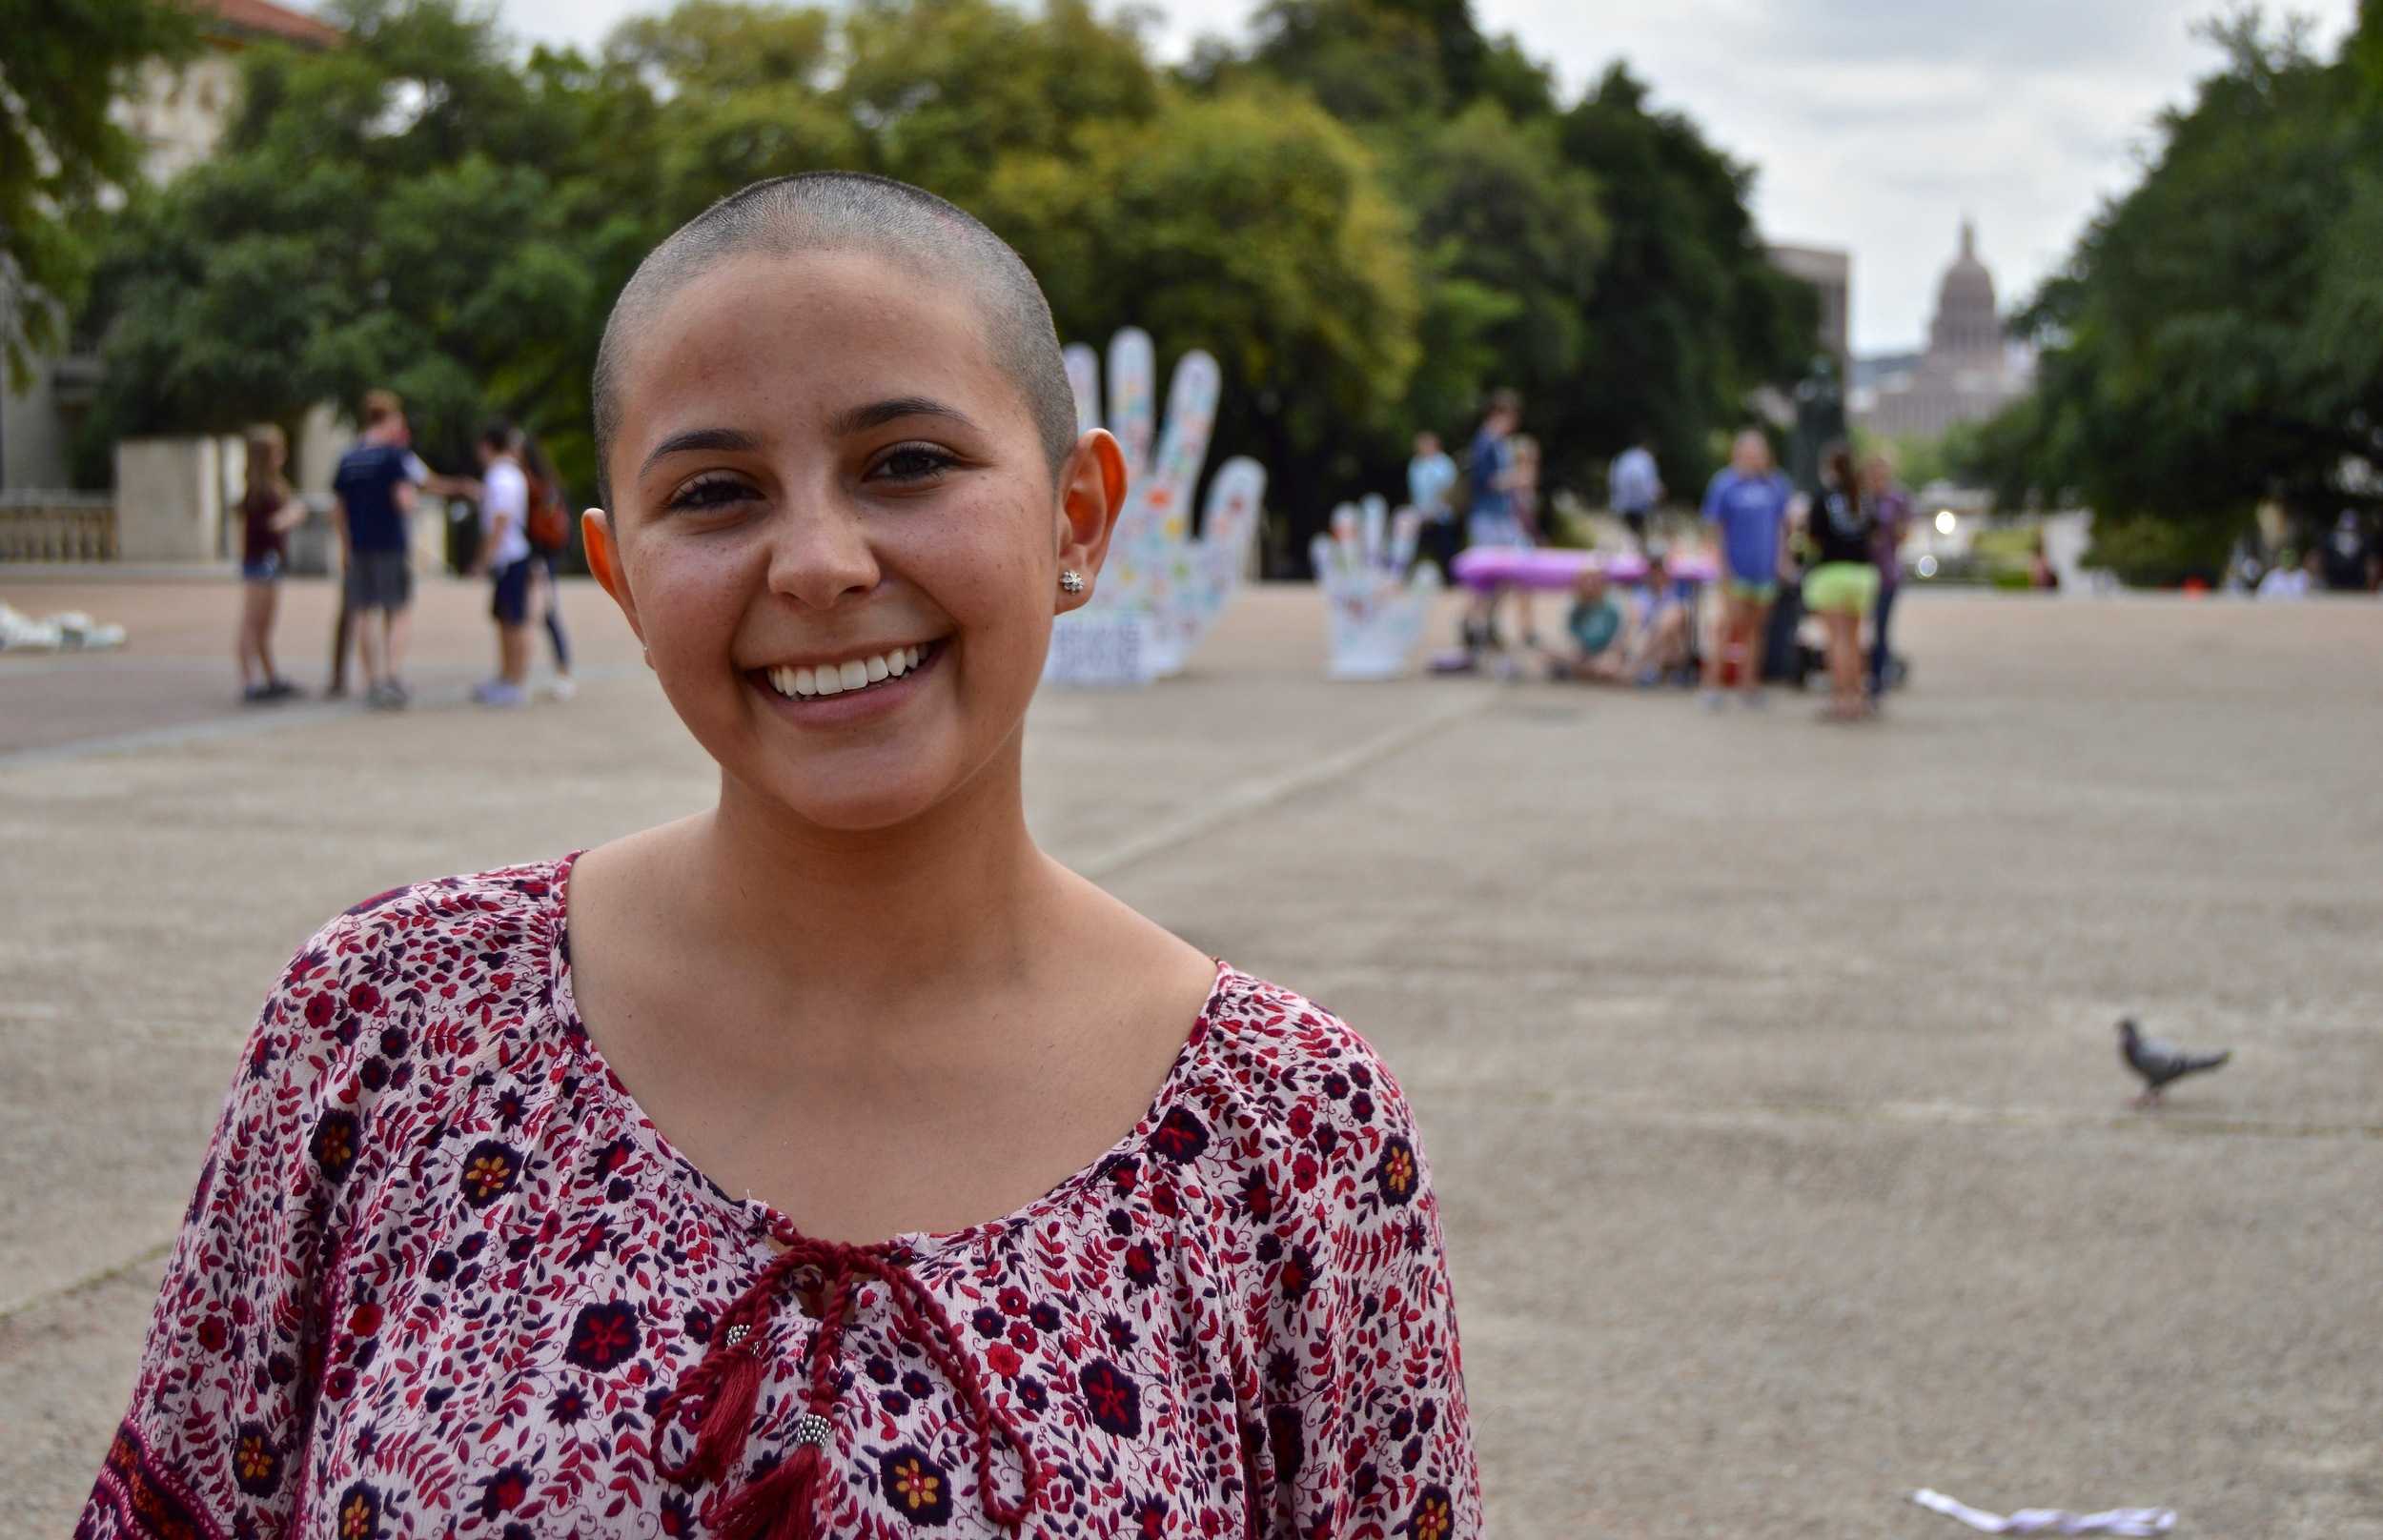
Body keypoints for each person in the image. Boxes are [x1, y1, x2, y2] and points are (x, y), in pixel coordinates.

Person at [83, 172, 1480, 1540]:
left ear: (1078, 518)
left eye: (908, 464)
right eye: (714, 493)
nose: (818, 563)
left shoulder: (1295, 1132)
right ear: (620, 579)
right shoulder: (391, 1024)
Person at [327, 391, 431, 707]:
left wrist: (345, 545)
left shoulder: (349, 458)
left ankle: (371, 681)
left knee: (363, 613)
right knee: (398, 611)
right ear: (389, 420)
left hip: (359, 546)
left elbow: (338, 510)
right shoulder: (392, 456)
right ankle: (391, 676)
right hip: (390, 544)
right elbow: (404, 500)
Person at [1700, 428, 1793, 707]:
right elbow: (1716, 528)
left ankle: (1748, 684)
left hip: (1763, 570)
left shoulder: (1775, 485)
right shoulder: (1725, 484)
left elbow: (1781, 528)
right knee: (1728, 628)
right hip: (1736, 569)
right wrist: (1722, 565)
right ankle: (1712, 685)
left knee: (1757, 630)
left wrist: (1782, 560)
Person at [1802, 442, 1880, 722]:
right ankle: (1857, 697)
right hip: (1861, 575)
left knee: (1837, 641)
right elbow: (1873, 534)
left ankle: (1840, 699)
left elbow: (1812, 537)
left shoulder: (1823, 497)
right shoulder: (1862, 496)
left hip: (1832, 573)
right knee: (1855, 639)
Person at [234, 424, 307, 703]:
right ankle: (249, 680)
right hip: (259, 562)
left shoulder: (273, 486)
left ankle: (269, 675)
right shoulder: (258, 490)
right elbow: (269, 525)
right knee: (252, 623)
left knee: (264, 625)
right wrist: (294, 514)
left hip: (270, 561)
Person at [470, 420, 536, 707]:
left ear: (487, 446)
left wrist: (484, 559)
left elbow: (500, 519)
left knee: (513, 621)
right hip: (511, 555)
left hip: (510, 556)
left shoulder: (501, 475)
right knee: (506, 619)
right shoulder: (510, 474)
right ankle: (506, 676)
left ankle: (514, 680)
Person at [1461, 389, 1526, 655]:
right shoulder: (1485, 443)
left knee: (1506, 575)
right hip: (1489, 517)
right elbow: (1483, 482)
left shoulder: (1497, 443)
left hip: (1499, 516)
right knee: (1489, 576)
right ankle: (1473, 624)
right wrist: (1514, 479)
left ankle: (1484, 623)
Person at [516, 427, 579, 699]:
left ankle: (558, 673)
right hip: (544, 555)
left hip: (537, 555)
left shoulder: (529, 484)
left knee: (543, 613)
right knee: (544, 613)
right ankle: (559, 671)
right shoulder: (547, 481)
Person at [1862, 451, 1913, 700]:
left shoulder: (1897, 499)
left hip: (1886, 572)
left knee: (1881, 628)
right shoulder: (1861, 499)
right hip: (1861, 571)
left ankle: (1877, 677)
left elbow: (1904, 533)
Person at [1542, 564, 1630, 681]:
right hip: (1584, 655)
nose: (1589, 585)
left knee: (1609, 666)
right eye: (1586, 581)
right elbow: (1572, 637)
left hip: (1607, 653)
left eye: (1594, 580)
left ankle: (1583, 671)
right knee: (1549, 653)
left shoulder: (1613, 607)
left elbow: (1621, 638)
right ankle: (1590, 671)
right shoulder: (1576, 608)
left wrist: (1610, 654)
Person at [1407, 429, 1458, 578]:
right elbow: (1415, 491)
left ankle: (1452, 580)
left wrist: (1435, 510)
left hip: (1441, 515)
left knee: (1446, 550)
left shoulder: (1444, 463)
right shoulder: (1416, 464)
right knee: (1416, 549)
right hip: (1422, 516)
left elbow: (1448, 490)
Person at [1609, 433, 1662, 551]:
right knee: (1640, 540)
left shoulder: (1623, 457)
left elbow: (1613, 481)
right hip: (1640, 507)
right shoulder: (1646, 459)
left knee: (1626, 539)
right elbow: (1647, 485)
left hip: (1621, 505)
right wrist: (1655, 496)